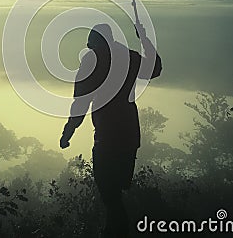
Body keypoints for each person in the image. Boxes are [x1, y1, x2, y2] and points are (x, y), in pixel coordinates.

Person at [59, 23, 162, 238]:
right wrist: (143, 38)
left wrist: (69, 130)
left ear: (95, 43)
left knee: (109, 192)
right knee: (115, 191)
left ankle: (119, 231)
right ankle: (112, 231)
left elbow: (81, 101)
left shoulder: (91, 61)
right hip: (129, 134)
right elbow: (155, 69)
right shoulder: (129, 57)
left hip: (107, 136)